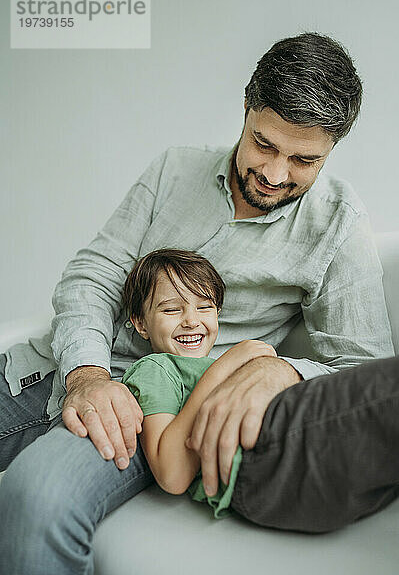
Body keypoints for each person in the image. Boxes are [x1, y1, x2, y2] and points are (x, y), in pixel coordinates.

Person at [0, 31, 395, 573]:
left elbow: (364, 371)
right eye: (264, 144)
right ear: (247, 110)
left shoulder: (339, 223)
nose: (276, 174)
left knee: (36, 498)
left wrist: (282, 371)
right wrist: (87, 374)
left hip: (151, 407)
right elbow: (93, 275)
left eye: (303, 160)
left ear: (333, 148)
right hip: (51, 364)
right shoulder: (173, 169)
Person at [121, 247, 278, 517]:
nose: (192, 321)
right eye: (171, 309)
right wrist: (221, 370)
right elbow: (172, 475)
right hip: (268, 466)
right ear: (141, 324)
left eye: (204, 307)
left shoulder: (219, 363)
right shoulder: (156, 369)